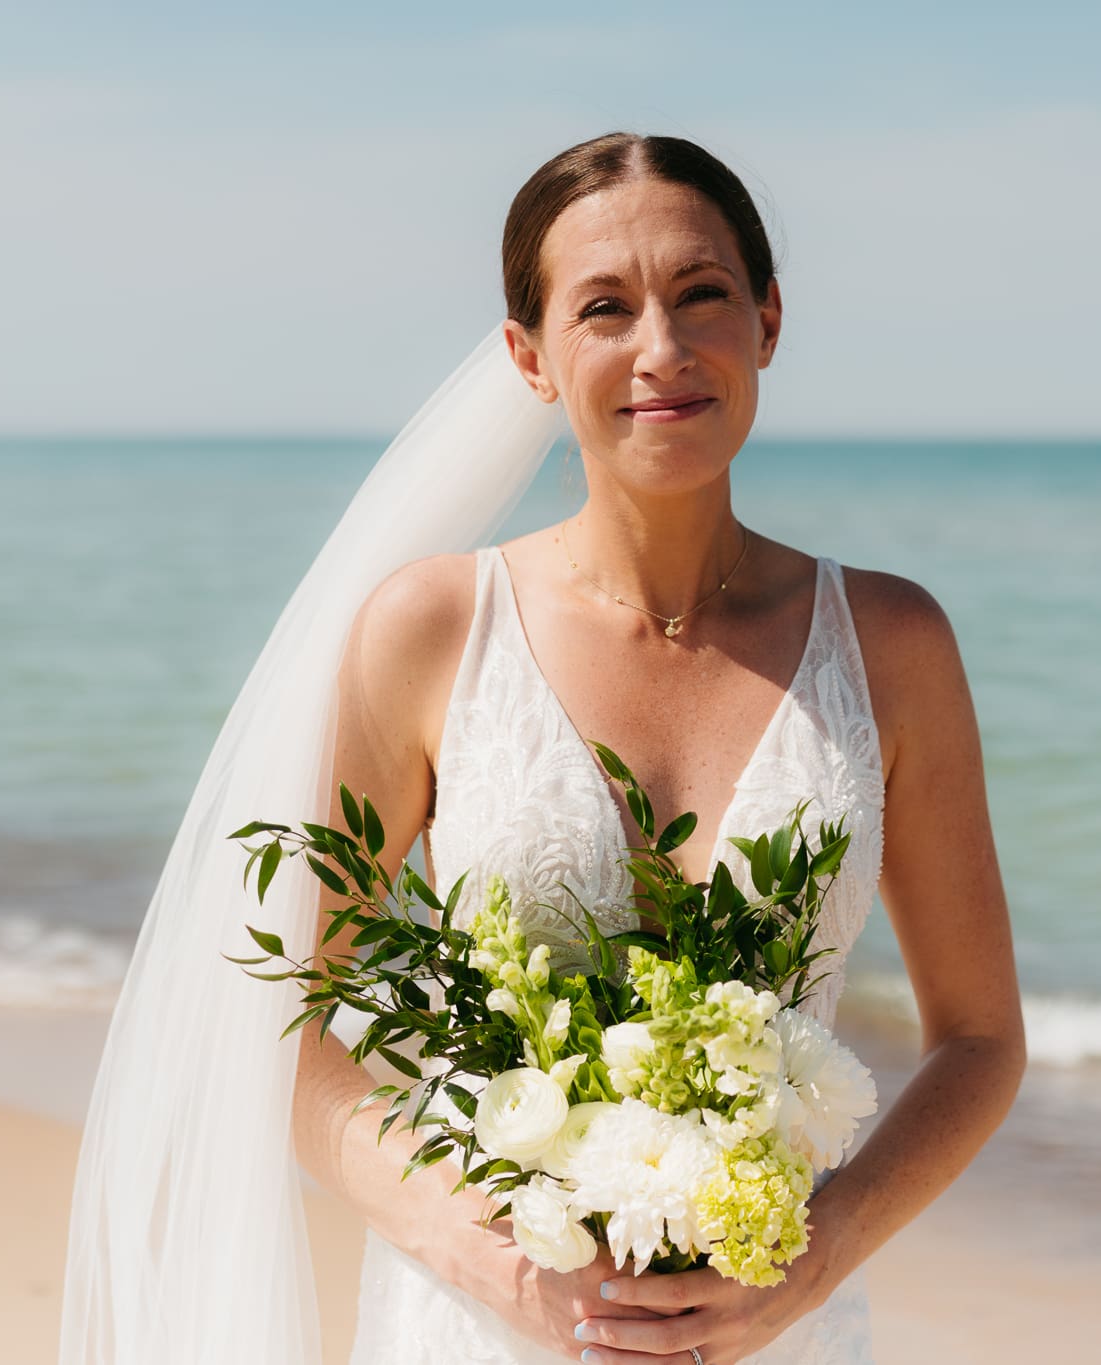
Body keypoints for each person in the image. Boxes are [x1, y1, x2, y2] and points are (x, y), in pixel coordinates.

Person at [58, 131, 1025, 1365]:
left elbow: (979, 1040)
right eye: (605, 309)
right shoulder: (433, 630)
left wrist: (813, 1258)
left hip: (769, 1326)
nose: (661, 352)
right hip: (485, 1323)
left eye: (701, 295)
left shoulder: (890, 642)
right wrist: (485, 1258)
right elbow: (284, 1026)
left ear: (768, 320)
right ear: (529, 355)